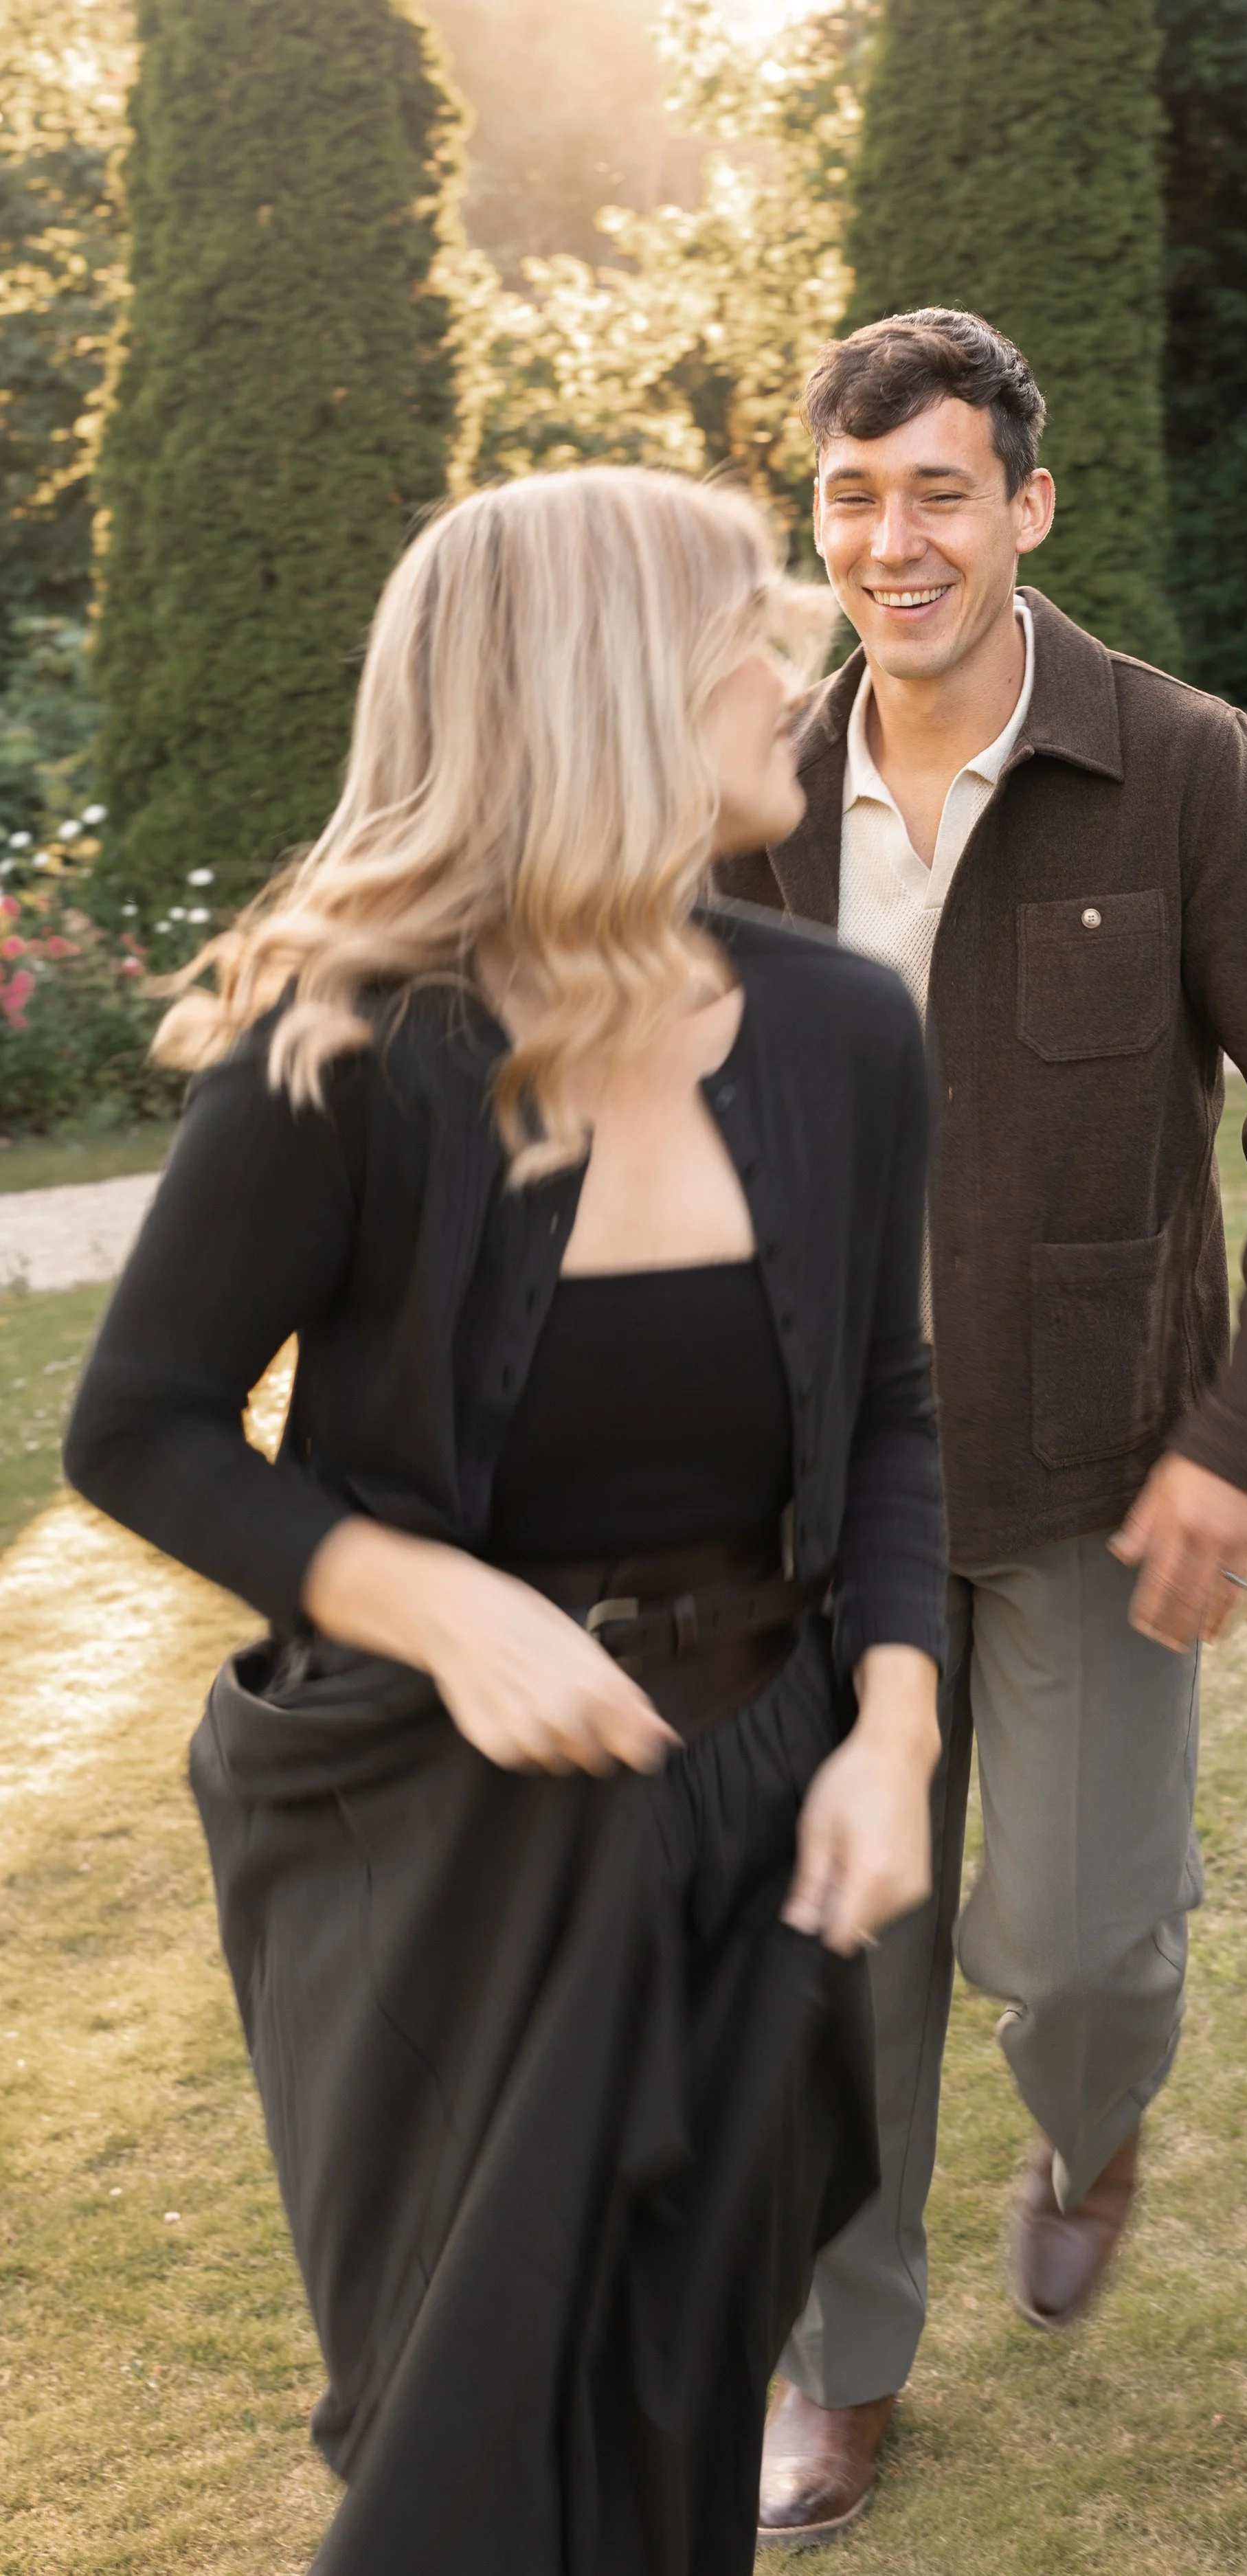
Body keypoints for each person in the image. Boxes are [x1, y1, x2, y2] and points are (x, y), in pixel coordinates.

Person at [62, 466, 948, 2576]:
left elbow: (898, 1417)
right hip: (431, 1841)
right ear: (604, 688)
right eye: (741, 624)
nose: (794, 660)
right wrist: (435, 1604)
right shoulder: (348, 1046)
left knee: (669, 2417)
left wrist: (894, 1734)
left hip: (752, 1810)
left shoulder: (841, 1030)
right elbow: (143, 1425)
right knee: (459, 2458)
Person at [717, 309, 1247, 2545]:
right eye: (848, 493)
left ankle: (1091, 2121)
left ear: (1026, 503)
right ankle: (846, 2362)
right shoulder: (756, 786)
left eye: (935, 489)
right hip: (811, 1502)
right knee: (843, 1956)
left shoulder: (1181, 766)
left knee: (1085, 1942)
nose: (889, 539)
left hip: (1098, 1476)